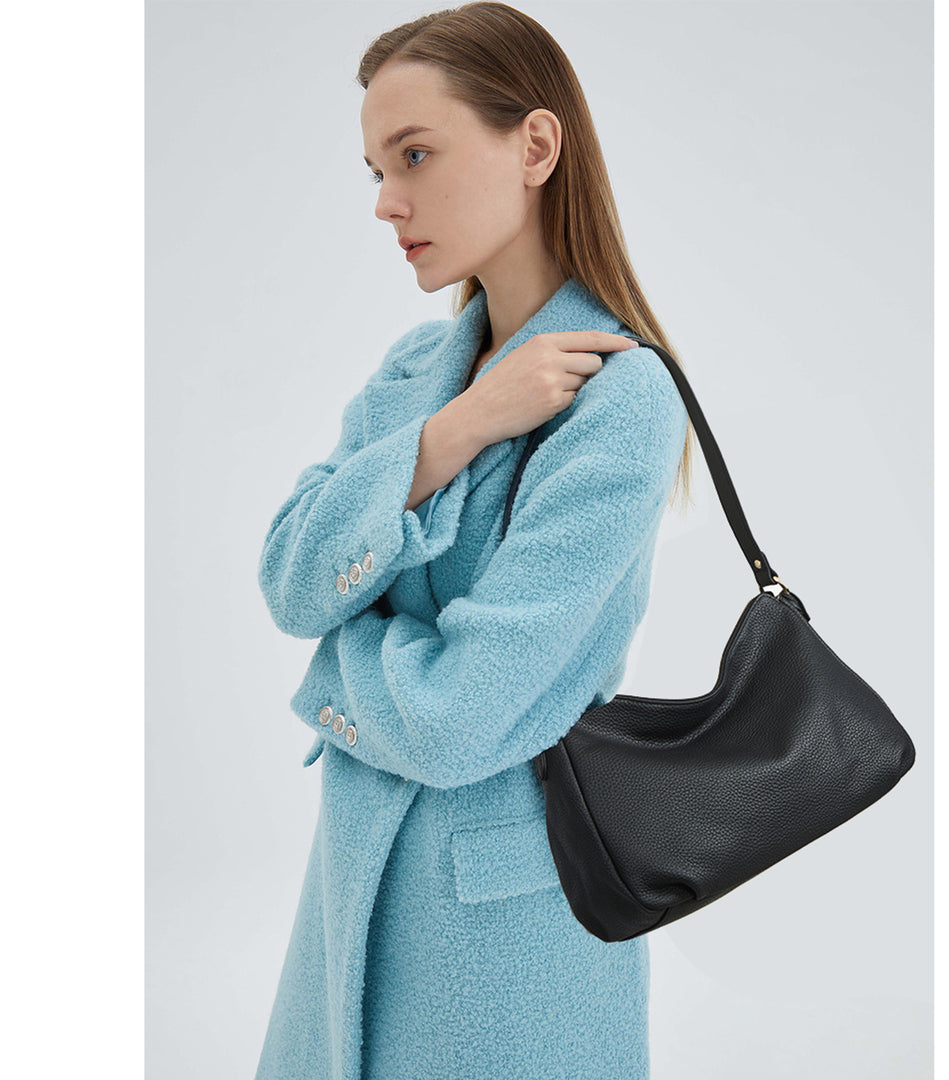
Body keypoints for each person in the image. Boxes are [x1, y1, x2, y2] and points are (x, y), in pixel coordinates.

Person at [254, 4, 694, 1078]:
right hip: (347, 905)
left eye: (414, 154)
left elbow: (458, 719)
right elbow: (292, 579)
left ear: (534, 146)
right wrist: (457, 430)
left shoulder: (622, 401)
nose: (385, 201)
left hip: (506, 949)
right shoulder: (417, 374)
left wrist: (336, 666)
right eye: (375, 170)